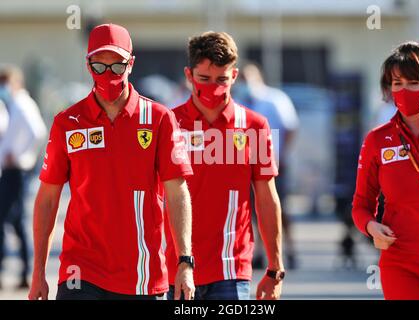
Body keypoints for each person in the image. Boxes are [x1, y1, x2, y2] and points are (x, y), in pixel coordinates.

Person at [28, 23, 195, 300]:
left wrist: (185, 262)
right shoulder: (67, 122)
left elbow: (177, 193)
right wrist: (38, 273)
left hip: (141, 275)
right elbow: (47, 198)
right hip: (80, 271)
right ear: (88, 64)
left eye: (117, 66)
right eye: (99, 66)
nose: (109, 75)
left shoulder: (159, 119)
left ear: (131, 63)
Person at [164, 31, 285, 300]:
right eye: (204, 79)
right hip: (177, 268)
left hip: (232, 270)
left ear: (234, 76)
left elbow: (267, 198)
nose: (212, 88)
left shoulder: (255, 126)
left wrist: (275, 268)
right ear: (188, 75)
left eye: (221, 79)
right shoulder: (168, 124)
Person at [352, 41, 419, 300]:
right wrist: (371, 227)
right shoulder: (377, 140)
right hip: (400, 262)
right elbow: (360, 205)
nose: (404, 90)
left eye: (413, 82)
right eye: (397, 84)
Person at [236, 63, 299, 270]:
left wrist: (280, 155)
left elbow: (290, 128)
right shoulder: (237, 100)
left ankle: (289, 250)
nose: (245, 82)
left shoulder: (275, 99)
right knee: (252, 211)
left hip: (274, 164)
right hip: (246, 166)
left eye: (249, 77)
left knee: (279, 208)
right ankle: (260, 253)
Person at [0, 66, 47, 290]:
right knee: (17, 222)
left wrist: (22, 156)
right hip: (11, 170)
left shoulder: (21, 104)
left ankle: (18, 271)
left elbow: (37, 131)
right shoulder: (13, 105)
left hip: (16, 170)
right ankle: (26, 272)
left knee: (5, 220)